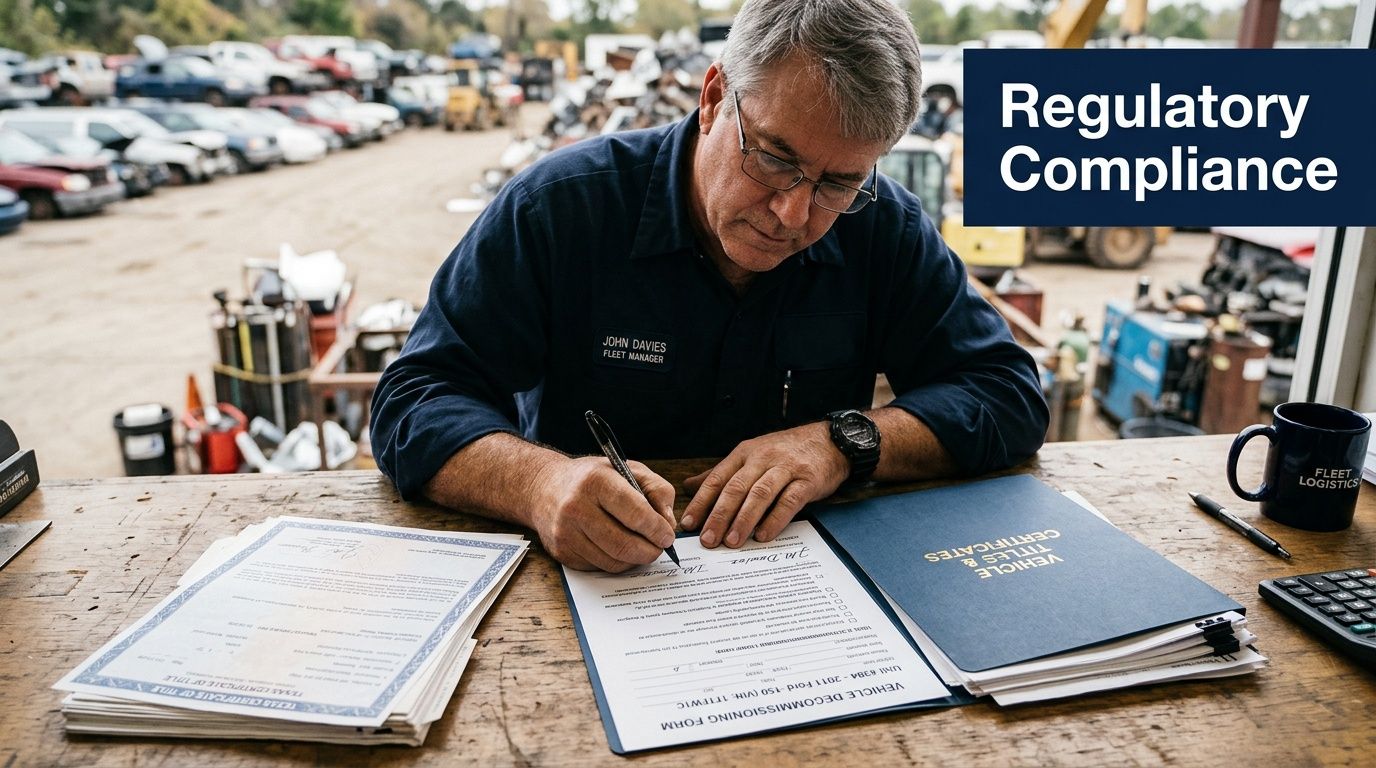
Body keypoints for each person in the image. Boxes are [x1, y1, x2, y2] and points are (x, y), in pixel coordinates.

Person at [371, 0, 1049, 572]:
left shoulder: (883, 227)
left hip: (803, 605)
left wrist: (843, 443)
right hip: (589, 592)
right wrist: (540, 484)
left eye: (837, 184)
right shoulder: (561, 209)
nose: (793, 213)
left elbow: (1007, 395)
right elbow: (415, 402)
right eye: (775, 159)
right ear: (714, 97)